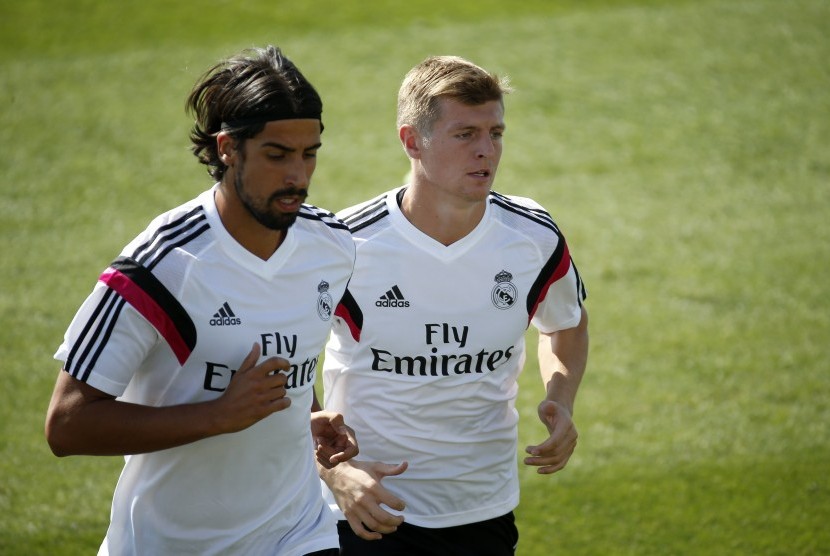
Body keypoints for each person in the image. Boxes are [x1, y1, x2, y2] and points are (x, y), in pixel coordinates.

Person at [45, 45, 358, 556]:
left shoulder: (332, 247)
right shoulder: (164, 264)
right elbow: (67, 424)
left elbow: (283, 356)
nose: (298, 177)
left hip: (296, 534)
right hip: (169, 543)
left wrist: (306, 416)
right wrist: (218, 415)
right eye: (277, 155)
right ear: (227, 148)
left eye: (310, 153)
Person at [318, 55, 589, 555]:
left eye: (496, 133)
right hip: (363, 509)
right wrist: (331, 471)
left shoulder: (532, 238)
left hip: (482, 510)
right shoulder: (344, 246)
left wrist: (562, 396)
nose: (487, 151)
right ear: (410, 140)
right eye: (465, 134)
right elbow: (281, 365)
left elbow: (565, 322)